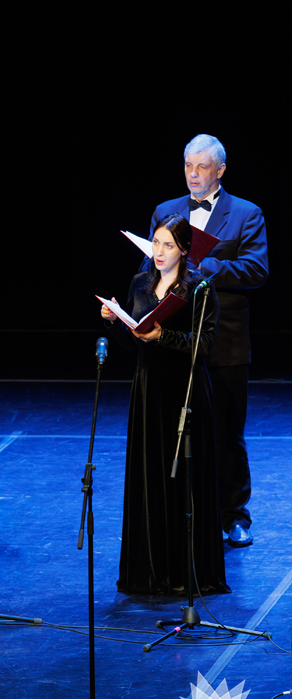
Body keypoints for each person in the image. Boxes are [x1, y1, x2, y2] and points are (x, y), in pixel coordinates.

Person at [143, 135, 267, 549]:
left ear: (220, 170)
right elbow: (150, 267)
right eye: (188, 166)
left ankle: (234, 515)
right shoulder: (167, 210)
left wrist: (205, 264)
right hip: (176, 341)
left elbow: (256, 270)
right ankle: (184, 511)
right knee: (179, 430)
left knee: (228, 432)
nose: (193, 174)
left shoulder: (246, 213)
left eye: (202, 167)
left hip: (224, 342)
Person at [104, 214, 226, 595]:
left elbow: (204, 345)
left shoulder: (199, 288)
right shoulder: (140, 283)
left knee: (184, 479)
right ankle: (150, 571)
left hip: (185, 392)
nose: (159, 251)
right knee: (149, 476)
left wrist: (164, 336)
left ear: (185, 250)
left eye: (168, 245)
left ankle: (185, 572)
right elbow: (131, 343)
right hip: (148, 391)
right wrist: (115, 322)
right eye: (156, 243)